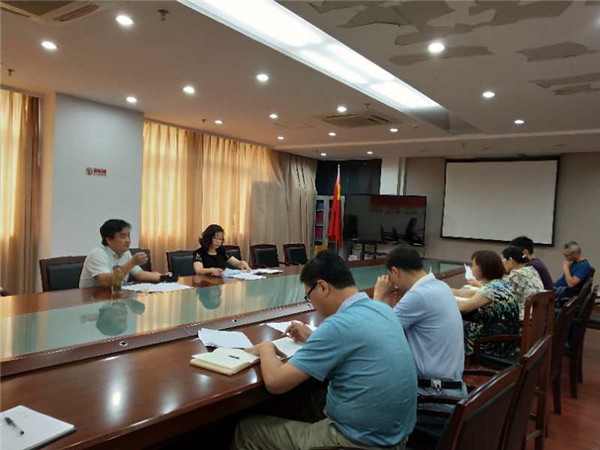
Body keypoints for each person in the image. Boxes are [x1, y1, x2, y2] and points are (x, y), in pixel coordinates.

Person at [232, 251, 417, 450]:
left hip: (356, 442)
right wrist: (312, 337)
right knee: (302, 398)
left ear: (322, 287)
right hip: (395, 436)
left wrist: (266, 347)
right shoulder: (382, 309)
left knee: (247, 430)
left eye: (308, 296)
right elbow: (353, 345)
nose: (311, 304)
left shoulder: (338, 325)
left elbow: (276, 382)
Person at [373, 247, 466, 404]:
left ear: (395, 271)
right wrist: (391, 303)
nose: (392, 282)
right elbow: (394, 326)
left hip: (432, 395)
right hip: (452, 389)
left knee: (367, 395)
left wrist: (378, 296)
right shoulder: (441, 286)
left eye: (391, 276)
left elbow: (376, 334)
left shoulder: (418, 295)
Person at [453, 251, 520, 359]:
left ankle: (454, 361)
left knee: (452, 326)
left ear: (483, 268)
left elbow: (462, 307)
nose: (471, 268)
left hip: (493, 344)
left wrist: (443, 299)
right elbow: (474, 293)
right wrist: (450, 290)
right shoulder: (501, 283)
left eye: (473, 265)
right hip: (507, 339)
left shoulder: (492, 289)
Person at [80, 219, 169, 288]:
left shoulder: (125, 252)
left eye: (128, 236)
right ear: (109, 240)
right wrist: (132, 262)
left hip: (116, 297)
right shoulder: (97, 254)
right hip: (92, 300)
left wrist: (164, 277)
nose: (128, 240)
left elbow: (140, 274)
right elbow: (107, 282)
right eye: (122, 237)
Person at [501, 246, 545, 319]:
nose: (501, 264)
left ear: (510, 260)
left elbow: (501, 294)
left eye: (502, 260)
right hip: (538, 316)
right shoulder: (531, 270)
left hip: (524, 317)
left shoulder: (516, 275)